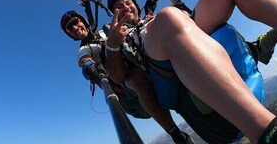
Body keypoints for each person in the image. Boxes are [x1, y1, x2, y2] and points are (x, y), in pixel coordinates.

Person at [105, 0, 277, 144]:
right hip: (158, 69)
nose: (124, 7)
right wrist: (113, 45)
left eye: (128, 2)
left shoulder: (152, 19)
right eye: (118, 7)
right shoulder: (116, 39)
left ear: (136, 6)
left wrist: (176, 1)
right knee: (169, 17)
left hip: (179, 32)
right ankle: (271, 135)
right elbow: (119, 77)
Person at [60, 10, 195, 144]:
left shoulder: (106, 31)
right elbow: (84, 59)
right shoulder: (85, 48)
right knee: (136, 79)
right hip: (125, 89)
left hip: (143, 64)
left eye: (74, 23)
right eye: (69, 29)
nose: (74, 28)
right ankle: (176, 134)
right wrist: (89, 66)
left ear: (83, 21)